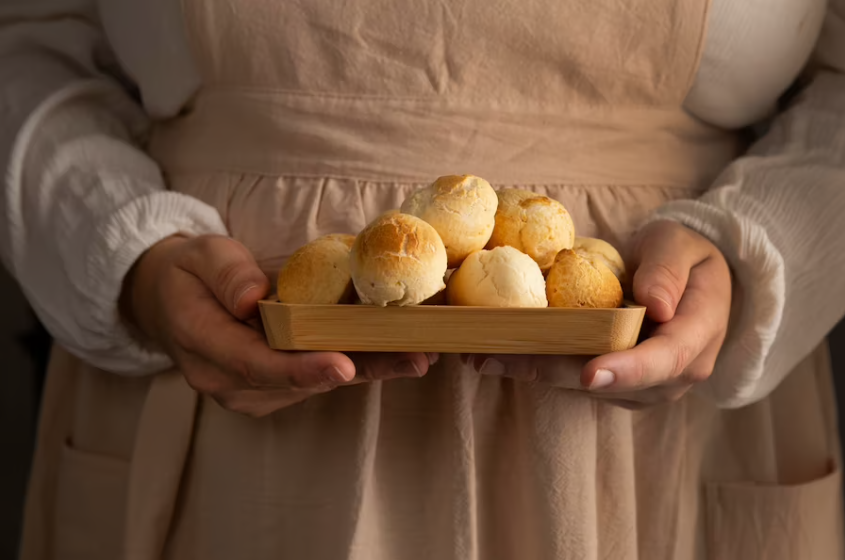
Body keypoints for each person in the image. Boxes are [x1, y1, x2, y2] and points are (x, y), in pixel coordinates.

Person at [3, 0, 845, 558]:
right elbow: (26, 43)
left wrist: (756, 250)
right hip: (214, 416)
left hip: (662, 444)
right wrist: (123, 255)